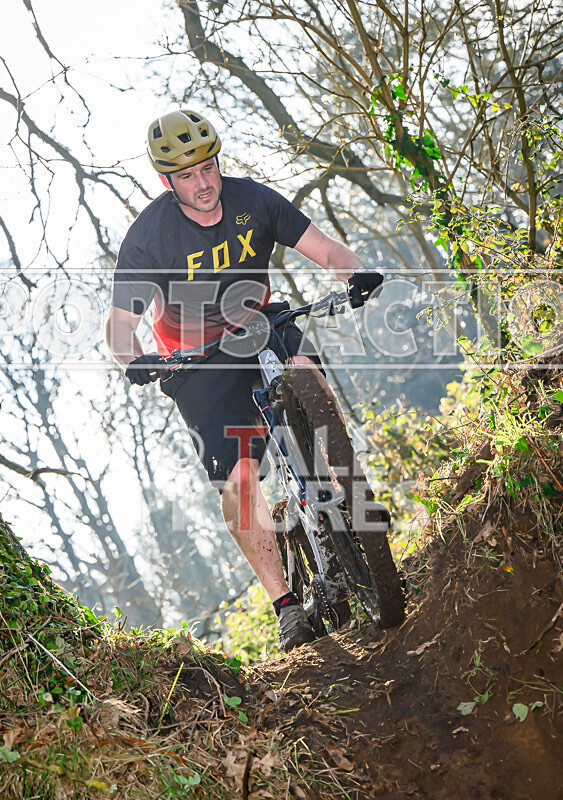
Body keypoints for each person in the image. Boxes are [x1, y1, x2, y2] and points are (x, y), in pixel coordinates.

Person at [105, 109, 383, 652]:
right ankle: (285, 606)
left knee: (308, 377)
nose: (203, 183)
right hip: (197, 361)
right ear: (166, 181)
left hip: (261, 325)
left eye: (208, 167)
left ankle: (349, 496)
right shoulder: (149, 238)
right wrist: (133, 359)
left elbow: (324, 247)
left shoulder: (252, 199)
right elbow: (119, 326)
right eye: (187, 176)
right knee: (240, 482)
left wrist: (354, 273)